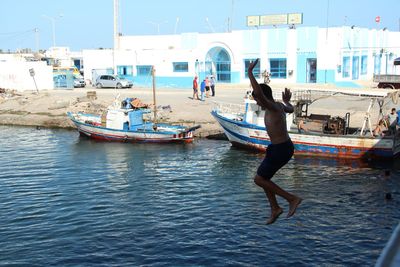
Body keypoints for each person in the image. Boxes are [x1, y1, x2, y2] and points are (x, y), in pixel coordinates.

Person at [248, 58, 302, 225]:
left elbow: (260, 93)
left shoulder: (271, 106)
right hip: (279, 148)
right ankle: (275, 208)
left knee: (259, 179)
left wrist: (250, 73)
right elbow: (291, 109)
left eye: (257, 98)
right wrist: (287, 101)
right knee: (264, 179)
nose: (257, 101)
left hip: (281, 149)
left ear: (262, 96)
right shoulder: (278, 105)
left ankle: (291, 199)